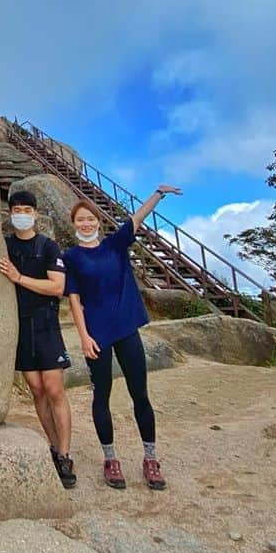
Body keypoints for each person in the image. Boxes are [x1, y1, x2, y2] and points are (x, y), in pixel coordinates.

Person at [63, 184, 182, 491]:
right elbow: (74, 299)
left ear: (98, 222)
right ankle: (110, 458)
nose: (86, 224)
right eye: (80, 220)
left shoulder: (115, 245)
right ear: (73, 224)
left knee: (139, 394)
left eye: (90, 219)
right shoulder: (72, 257)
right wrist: (84, 337)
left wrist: (157, 193)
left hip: (126, 328)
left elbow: (137, 218)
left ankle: (150, 457)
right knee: (101, 397)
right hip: (97, 335)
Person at [0, 190, 75, 489]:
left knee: (54, 389)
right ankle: (54, 447)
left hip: (46, 325)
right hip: (20, 325)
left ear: (35, 214)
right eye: (16, 209)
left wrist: (19, 279)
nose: (21, 213)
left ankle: (66, 453)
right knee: (36, 389)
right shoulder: (4, 246)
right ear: (10, 214)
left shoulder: (48, 246)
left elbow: (57, 287)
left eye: (26, 209)